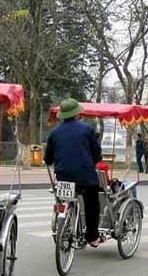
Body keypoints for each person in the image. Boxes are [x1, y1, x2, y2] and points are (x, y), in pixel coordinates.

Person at [44, 98, 104, 247]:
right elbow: (96, 153)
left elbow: (48, 158)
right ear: (77, 114)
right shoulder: (87, 129)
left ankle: (63, 219)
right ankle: (92, 237)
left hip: (63, 176)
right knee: (92, 204)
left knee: (64, 199)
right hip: (85, 176)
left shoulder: (55, 132)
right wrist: (93, 162)